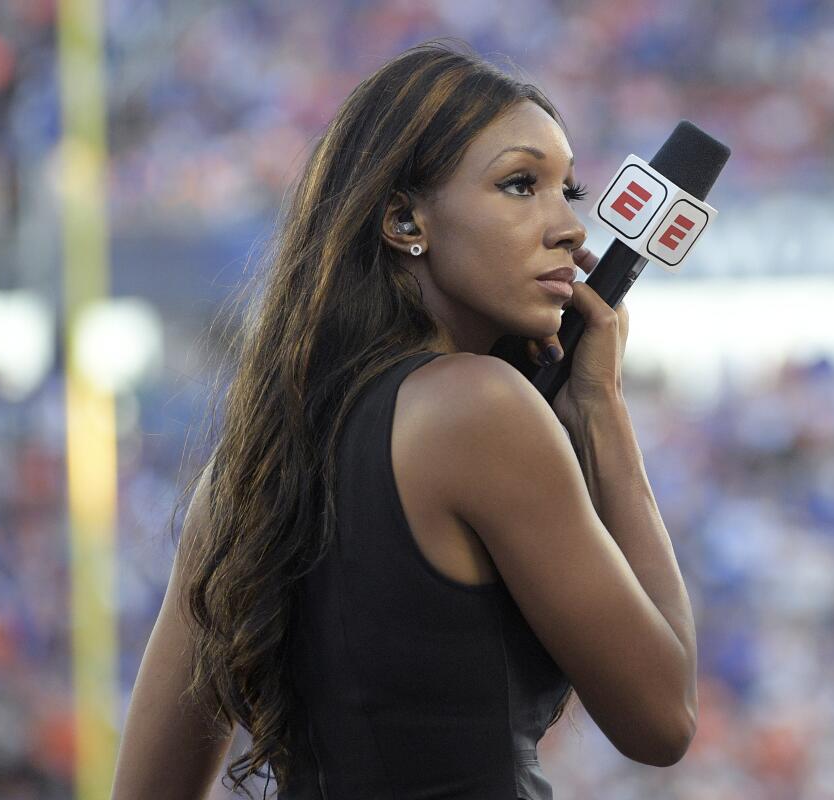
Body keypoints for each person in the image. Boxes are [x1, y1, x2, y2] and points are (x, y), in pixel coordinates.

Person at [110, 38, 697, 799]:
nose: (569, 228)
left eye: (569, 192)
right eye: (521, 185)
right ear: (402, 220)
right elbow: (663, 719)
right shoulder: (479, 407)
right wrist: (601, 410)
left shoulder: (255, 460)